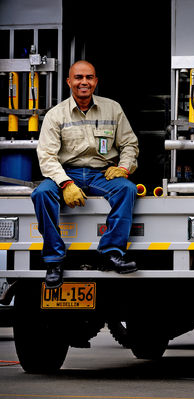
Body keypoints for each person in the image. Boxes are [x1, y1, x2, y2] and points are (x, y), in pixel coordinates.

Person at [31, 60, 139, 289]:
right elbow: (47, 156)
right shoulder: (55, 115)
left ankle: (111, 252)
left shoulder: (113, 109)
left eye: (89, 77)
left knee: (127, 189)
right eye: (78, 77)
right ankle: (54, 260)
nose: (84, 82)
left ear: (96, 81)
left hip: (102, 174)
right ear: (69, 81)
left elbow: (130, 144)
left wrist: (123, 168)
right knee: (41, 193)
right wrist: (66, 183)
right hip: (66, 173)